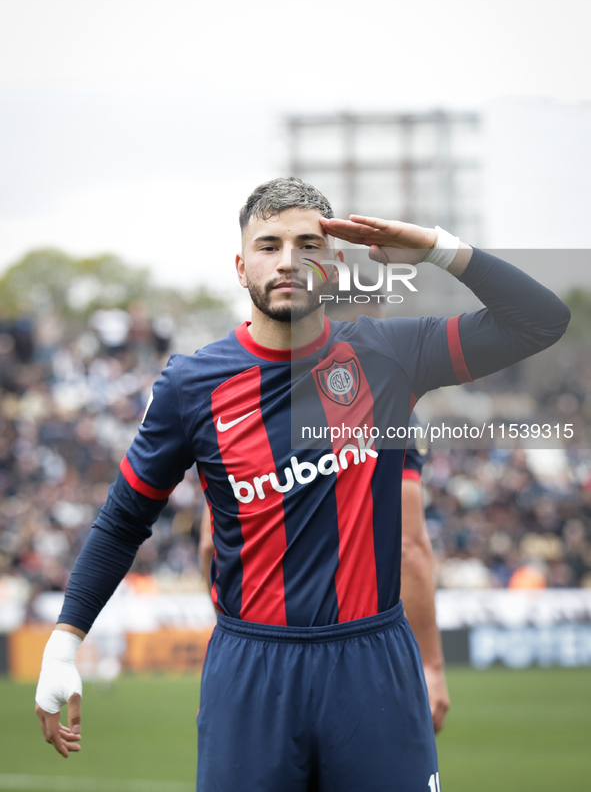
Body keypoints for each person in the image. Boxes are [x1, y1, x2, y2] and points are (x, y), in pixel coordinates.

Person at [35, 177, 570, 791]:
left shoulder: (388, 354)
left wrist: (436, 249)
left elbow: (542, 322)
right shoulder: (191, 385)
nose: (288, 260)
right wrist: (63, 643)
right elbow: (123, 520)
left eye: (308, 244)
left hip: (373, 663)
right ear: (240, 267)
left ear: (335, 263)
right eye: (268, 245)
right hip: (251, 670)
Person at [198, 434, 450, 735]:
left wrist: (234, 643)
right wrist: (430, 666)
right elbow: (407, 547)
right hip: (360, 652)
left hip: (256, 654)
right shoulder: (385, 399)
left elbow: (209, 547)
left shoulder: (236, 406)